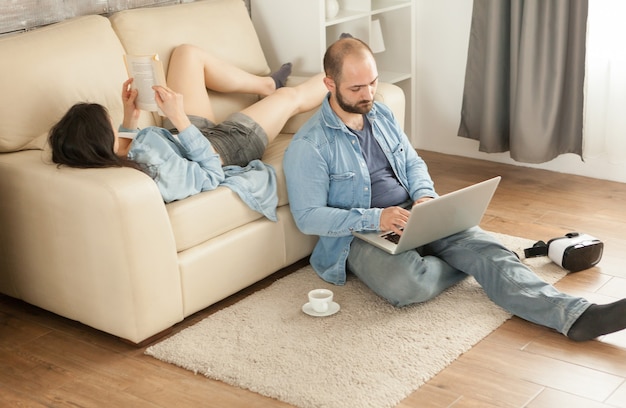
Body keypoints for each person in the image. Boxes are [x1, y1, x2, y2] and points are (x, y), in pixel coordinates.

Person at [283, 36, 626, 342]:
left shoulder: (381, 113)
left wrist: (425, 198)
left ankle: (578, 317)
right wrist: (378, 217)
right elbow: (308, 217)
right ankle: (472, 261)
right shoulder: (310, 145)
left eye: (372, 83)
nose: (368, 94)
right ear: (330, 83)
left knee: (489, 251)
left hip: (413, 212)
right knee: (410, 285)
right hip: (360, 234)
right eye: (356, 88)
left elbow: (413, 163)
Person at [49, 44, 327, 212]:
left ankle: (265, 85)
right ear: (100, 142)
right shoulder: (157, 174)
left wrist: (130, 117)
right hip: (223, 148)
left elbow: (124, 150)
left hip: (183, 137)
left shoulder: (109, 159)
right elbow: (210, 173)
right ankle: (343, 69)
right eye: (110, 125)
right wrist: (180, 119)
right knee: (289, 98)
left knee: (187, 54)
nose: (114, 124)